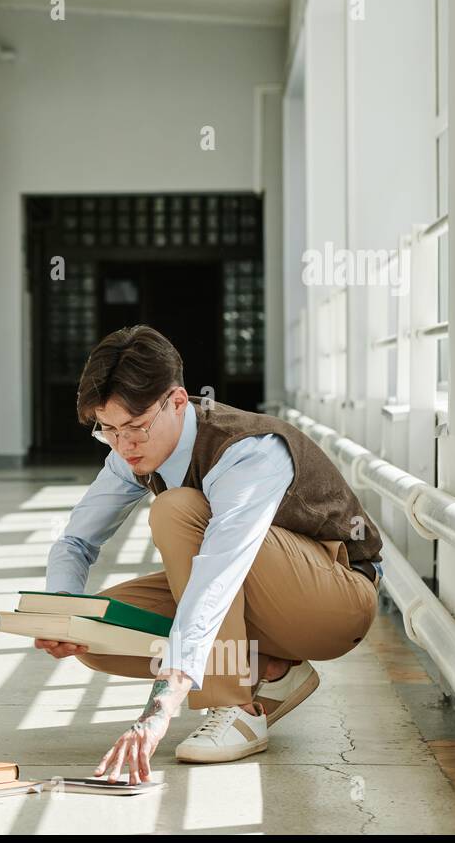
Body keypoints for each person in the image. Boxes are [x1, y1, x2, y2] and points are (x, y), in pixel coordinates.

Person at [35, 325, 385, 782]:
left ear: (178, 401)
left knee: (176, 510)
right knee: (96, 630)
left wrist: (162, 704)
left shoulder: (249, 451)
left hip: (335, 601)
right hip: (259, 592)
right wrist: (59, 612)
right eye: (109, 431)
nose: (125, 445)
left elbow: (220, 571)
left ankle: (234, 706)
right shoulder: (129, 450)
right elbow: (77, 541)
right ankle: (273, 669)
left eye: (136, 427)